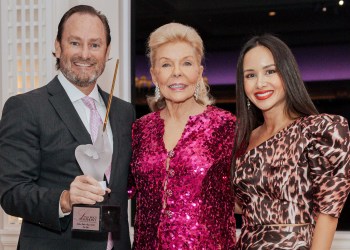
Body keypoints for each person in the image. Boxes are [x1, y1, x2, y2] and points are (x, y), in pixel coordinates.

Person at [0, 5, 134, 250]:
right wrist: (64, 199)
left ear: (107, 52)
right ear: (58, 47)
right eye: (75, 43)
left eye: (94, 45)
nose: (85, 54)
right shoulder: (26, 107)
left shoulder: (124, 112)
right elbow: (12, 193)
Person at [231, 34, 350, 249]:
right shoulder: (244, 139)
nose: (260, 83)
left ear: (287, 73)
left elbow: (329, 211)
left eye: (270, 71)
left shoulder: (320, 130)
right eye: (250, 75)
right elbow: (246, 203)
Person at [128, 22, 236, 249]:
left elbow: (249, 195)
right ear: (154, 75)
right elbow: (122, 189)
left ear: (199, 72)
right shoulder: (140, 129)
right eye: (166, 65)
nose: (177, 72)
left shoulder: (225, 126)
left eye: (186, 63)